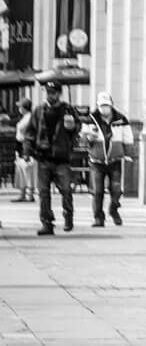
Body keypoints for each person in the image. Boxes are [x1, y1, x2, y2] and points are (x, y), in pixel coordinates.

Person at [24, 76, 81, 235]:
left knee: (66, 190)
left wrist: (72, 127)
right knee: (43, 192)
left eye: (54, 93)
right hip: (43, 157)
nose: (51, 95)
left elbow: (77, 128)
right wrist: (27, 151)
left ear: (59, 94)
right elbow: (30, 132)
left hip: (62, 158)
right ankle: (47, 223)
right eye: (48, 92)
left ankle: (68, 215)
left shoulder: (68, 109)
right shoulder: (39, 111)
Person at [83, 93, 132, 227]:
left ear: (111, 106)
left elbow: (128, 138)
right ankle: (98, 218)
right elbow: (82, 139)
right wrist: (89, 139)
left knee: (116, 189)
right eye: (102, 106)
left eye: (107, 106)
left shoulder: (121, 119)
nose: (104, 109)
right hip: (96, 161)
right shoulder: (90, 119)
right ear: (98, 106)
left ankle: (113, 209)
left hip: (115, 160)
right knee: (98, 191)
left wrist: (128, 154)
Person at [12, 103, 36, 203]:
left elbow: (28, 134)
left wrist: (27, 149)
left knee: (27, 169)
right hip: (20, 144)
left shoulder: (29, 118)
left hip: (26, 144)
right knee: (20, 169)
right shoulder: (24, 117)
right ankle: (22, 193)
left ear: (24, 107)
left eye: (20, 106)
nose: (19, 108)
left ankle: (29, 194)